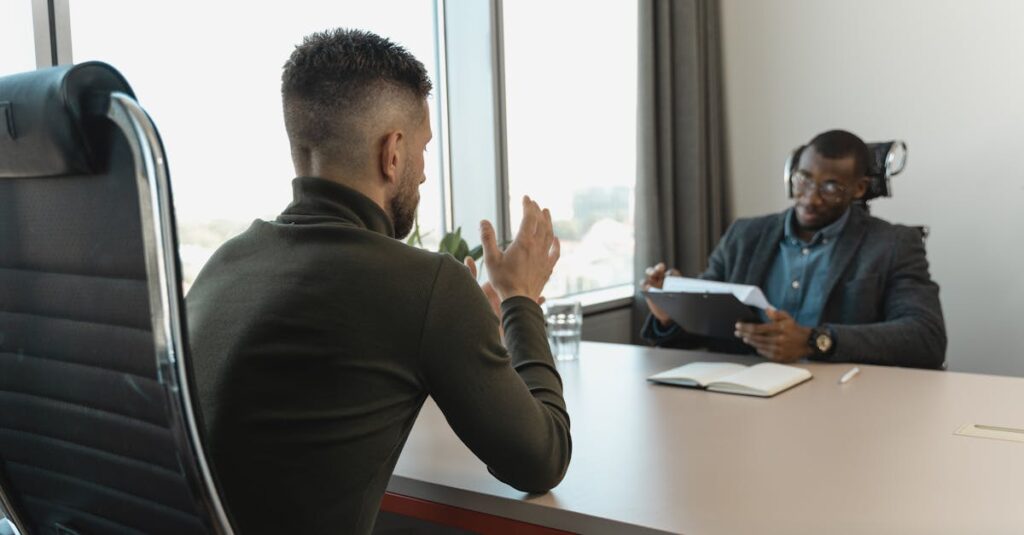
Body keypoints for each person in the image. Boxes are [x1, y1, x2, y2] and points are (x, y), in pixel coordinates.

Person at [186, 29, 570, 535]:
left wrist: (462, 328)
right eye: (424, 148)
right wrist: (520, 298)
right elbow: (542, 460)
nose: (424, 174)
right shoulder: (424, 284)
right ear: (393, 152)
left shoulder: (223, 264)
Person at [641, 130, 946, 369]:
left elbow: (926, 337)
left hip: (841, 398)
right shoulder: (744, 236)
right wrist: (672, 311)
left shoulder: (892, 244)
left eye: (830, 187)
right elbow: (704, 326)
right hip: (743, 393)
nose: (810, 198)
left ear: (859, 189)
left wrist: (816, 341)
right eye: (804, 180)